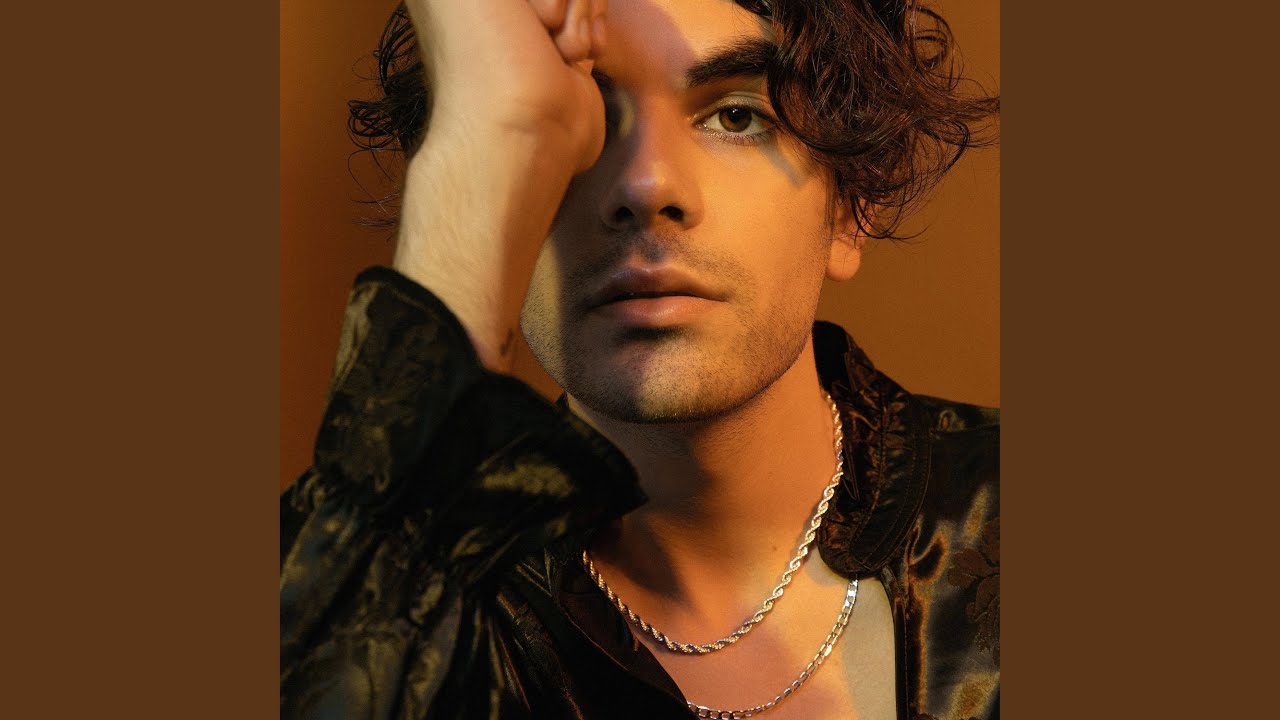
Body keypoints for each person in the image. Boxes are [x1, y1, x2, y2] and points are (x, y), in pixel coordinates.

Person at [280, 0, 999, 718]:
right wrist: (476, 163)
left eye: (737, 117)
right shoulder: (380, 590)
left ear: (849, 208)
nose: (647, 186)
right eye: (589, 120)